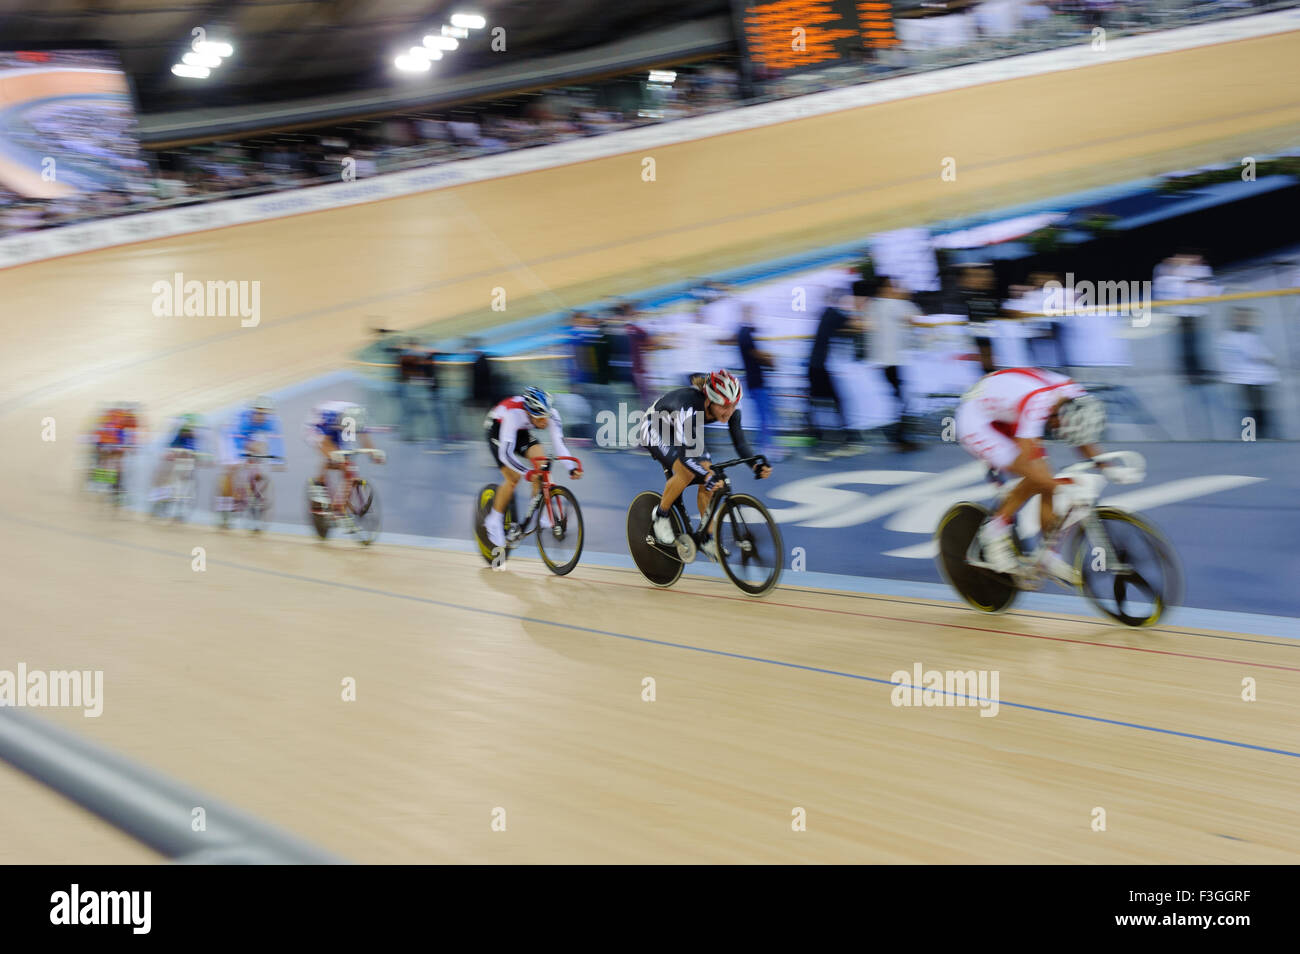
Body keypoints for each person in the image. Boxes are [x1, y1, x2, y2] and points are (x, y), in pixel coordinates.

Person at [954, 367, 1137, 574]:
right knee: (1036, 475)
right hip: (976, 420)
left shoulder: (1074, 396)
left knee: (1045, 481)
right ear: (1058, 416)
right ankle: (993, 532)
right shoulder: (1037, 405)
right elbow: (1023, 465)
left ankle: (1048, 557)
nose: (1059, 432)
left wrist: (1108, 469)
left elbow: (1083, 437)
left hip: (1008, 410)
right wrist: (1065, 485)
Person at [638, 369, 772, 560]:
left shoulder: (731, 412)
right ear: (709, 400)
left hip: (683, 427)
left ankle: (706, 538)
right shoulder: (690, 405)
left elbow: (741, 444)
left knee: (710, 476)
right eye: (724, 406)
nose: (729, 411)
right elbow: (685, 457)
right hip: (655, 426)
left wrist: (755, 466)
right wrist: (707, 475)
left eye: (733, 405)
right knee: (687, 473)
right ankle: (660, 515)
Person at [483, 386, 582, 549]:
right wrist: (526, 472)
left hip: (521, 431)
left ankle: (538, 512)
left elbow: (559, 445)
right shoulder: (514, 415)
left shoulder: (551, 414)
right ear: (529, 413)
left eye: (546, 417)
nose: (544, 422)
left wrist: (571, 467)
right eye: (540, 418)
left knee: (541, 464)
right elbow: (505, 454)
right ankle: (493, 520)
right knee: (513, 478)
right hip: (498, 429)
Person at [303, 401, 386, 512]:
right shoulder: (329, 417)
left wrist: (374, 454)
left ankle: (339, 506)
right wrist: (333, 456)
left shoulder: (359, 416)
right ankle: (318, 486)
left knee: (346, 461)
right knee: (333, 456)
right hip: (317, 427)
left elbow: (365, 440)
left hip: (337, 425)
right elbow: (324, 443)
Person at [216, 396, 286, 520]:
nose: (261, 416)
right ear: (252, 411)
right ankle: (224, 502)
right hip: (231, 435)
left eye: (264, 413)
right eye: (258, 412)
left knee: (257, 452)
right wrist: (238, 457)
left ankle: (252, 483)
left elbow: (276, 441)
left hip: (251, 435)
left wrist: (278, 460)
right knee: (232, 466)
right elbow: (236, 442)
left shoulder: (273, 421)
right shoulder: (243, 420)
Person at [149, 413, 206, 502]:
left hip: (186, 451)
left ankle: (180, 493)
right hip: (177, 447)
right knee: (167, 465)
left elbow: (196, 450)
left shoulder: (193, 434)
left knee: (184, 467)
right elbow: (171, 445)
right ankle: (162, 491)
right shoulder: (179, 431)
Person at [91, 402, 141, 493]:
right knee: (108, 461)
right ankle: (106, 483)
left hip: (112, 440)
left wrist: (130, 446)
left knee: (114, 462)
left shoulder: (129, 419)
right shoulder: (119, 417)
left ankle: (113, 484)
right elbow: (105, 431)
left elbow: (130, 434)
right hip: (106, 440)